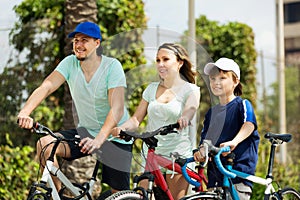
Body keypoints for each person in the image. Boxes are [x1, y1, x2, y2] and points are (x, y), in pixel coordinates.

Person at [17, 21, 132, 195]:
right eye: (76, 40)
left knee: (119, 195)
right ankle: (59, 195)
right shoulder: (70, 63)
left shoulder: (112, 67)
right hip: (86, 132)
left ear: (97, 43)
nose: (78, 45)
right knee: (45, 145)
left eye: (84, 40)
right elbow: (46, 87)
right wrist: (25, 112)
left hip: (114, 137)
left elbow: (117, 109)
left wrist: (99, 139)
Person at [112, 43, 201, 199]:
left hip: (177, 155)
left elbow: (191, 108)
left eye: (165, 59)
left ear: (179, 63)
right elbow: (136, 119)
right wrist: (122, 128)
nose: (160, 64)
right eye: (158, 60)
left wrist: (185, 117)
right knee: (142, 195)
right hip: (152, 154)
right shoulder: (151, 89)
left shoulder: (190, 89)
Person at [193, 57, 260, 199]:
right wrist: (200, 152)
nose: (216, 82)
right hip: (215, 180)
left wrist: (234, 142)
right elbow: (206, 141)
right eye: (213, 78)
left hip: (237, 177)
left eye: (222, 78)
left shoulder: (242, 105)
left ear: (235, 81)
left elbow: (249, 125)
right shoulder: (212, 113)